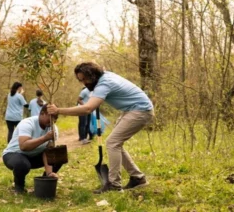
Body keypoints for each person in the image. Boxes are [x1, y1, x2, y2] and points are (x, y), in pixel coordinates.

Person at [47, 62, 154, 194]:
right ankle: (138, 178)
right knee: (116, 143)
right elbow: (89, 93)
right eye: (80, 80)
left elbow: (87, 108)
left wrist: (58, 110)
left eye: (84, 79)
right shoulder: (104, 77)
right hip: (131, 109)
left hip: (140, 110)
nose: (83, 83)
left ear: (92, 75)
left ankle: (114, 184)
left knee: (112, 142)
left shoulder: (104, 84)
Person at [2, 104, 61, 194]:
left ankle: (45, 183)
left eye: (55, 118)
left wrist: (49, 172)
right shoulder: (27, 123)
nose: (53, 121)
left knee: (58, 155)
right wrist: (45, 138)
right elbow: (24, 146)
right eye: (51, 117)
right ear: (42, 113)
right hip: (13, 154)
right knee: (22, 164)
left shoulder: (53, 128)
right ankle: (19, 187)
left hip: (33, 156)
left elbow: (48, 152)